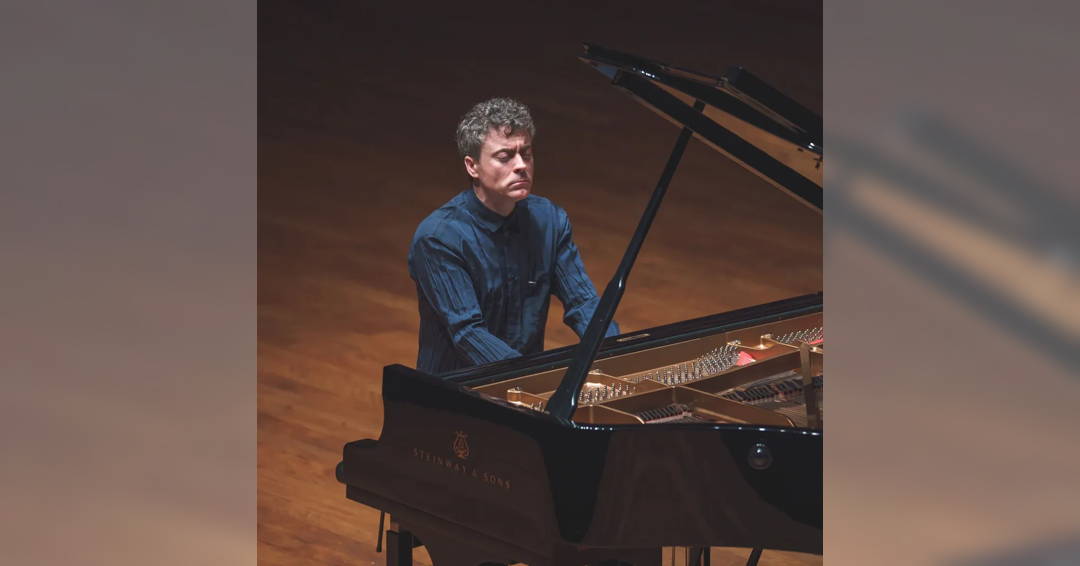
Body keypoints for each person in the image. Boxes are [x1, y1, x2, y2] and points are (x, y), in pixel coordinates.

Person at [408, 97, 619, 374]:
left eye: (526, 154)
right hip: (455, 389)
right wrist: (532, 379)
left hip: (524, 381)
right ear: (472, 166)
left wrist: (616, 355)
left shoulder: (549, 221)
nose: (521, 165)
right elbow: (468, 334)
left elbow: (583, 304)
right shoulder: (439, 239)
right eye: (505, 157)